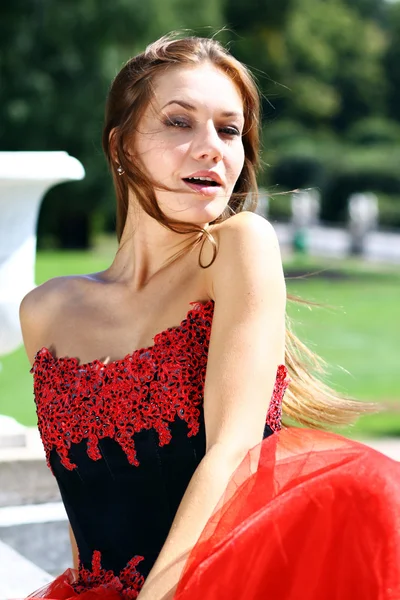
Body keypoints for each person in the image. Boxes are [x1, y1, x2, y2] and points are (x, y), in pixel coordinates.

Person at [18, 35, 400, 600]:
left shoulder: (238, 246)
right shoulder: (45, 310)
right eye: (179, 122)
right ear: (121, 146)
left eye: (229, 129)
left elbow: (233, 451)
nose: (211, 148)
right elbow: (84, 495)